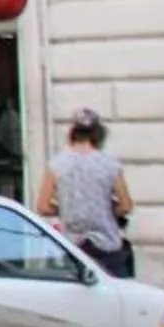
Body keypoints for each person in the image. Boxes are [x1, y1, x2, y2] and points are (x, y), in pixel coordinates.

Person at [39, 107, 136, 279]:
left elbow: (43, 207)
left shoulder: (56, 164)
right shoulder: (109, 164)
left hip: (73, 247)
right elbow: (126, 206)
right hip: (107, 246)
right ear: (98, 134)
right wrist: (110, 211)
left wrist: (66, 209)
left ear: (72, 132)